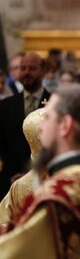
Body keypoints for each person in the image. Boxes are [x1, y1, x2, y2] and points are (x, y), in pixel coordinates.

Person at [0, 83, 80, 258]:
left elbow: (11, 252)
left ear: (65, 125)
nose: (41, 127)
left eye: (48, 118)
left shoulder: (60, 193)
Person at [0, 52, 51, 199]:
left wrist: (33, 175)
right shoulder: (5, 106)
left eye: (32, 68)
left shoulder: (56, 102)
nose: (26, 72)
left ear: (43, 71)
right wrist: (14, 174)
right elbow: (2, 145)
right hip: (11, 180)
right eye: (23, 68)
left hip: (45, 180)